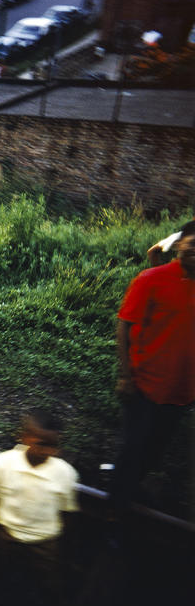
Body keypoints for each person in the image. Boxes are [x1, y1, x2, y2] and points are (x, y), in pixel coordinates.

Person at [110, 220, 195, 515]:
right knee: (133, 450)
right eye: (192, 245)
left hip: (182, 391)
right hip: (144, 384)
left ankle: (132, 488)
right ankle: (113, 514)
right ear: (180, 245)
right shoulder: (151, 279)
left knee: (155, 450)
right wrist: (126, 376)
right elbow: (125, 326)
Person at [0, 410, 79, 606]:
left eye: (54, 446)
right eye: (41, 443)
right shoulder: (1, 464)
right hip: (7, 535)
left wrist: (57, 541)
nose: (48, 451)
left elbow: (67, 513)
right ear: (23, 437)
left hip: (44, 542)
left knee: (50, 583)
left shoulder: (65, 474)